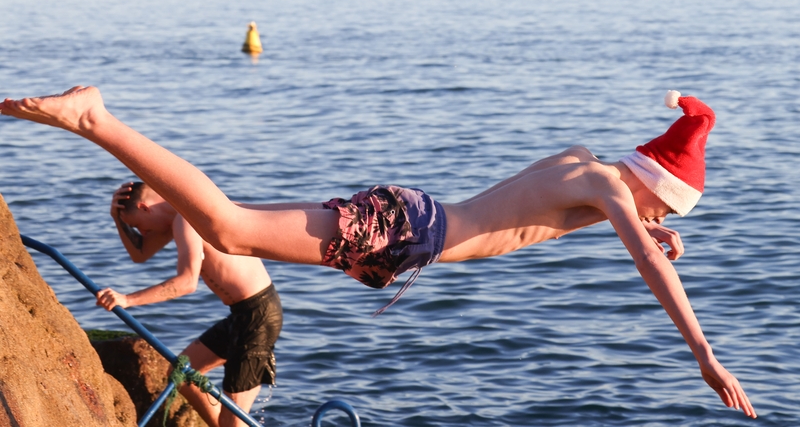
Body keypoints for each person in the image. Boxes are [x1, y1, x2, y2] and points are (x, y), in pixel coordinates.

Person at [1, 86, 756, 418]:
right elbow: (645, 256)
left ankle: (97, 123)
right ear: (655, 188)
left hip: (406, 225)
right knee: (226, 228)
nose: (654, 219)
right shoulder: (613, 193)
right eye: (663, 207)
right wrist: (702, 354)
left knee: (230, 225)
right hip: (408, 234)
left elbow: (552, 211)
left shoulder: (588, 166)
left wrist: (646, 223)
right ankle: (96, 120)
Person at [96, 181, 283, 427]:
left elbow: (187, 283)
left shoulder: (187, 219)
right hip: (241, 314)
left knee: (234, 421)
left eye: (137, 226)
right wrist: (117, 218)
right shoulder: (173, 220)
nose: (141, 233)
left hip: (257, 314)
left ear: (144, 207)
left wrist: (127, 299)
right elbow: (139, 254)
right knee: (181, 374)